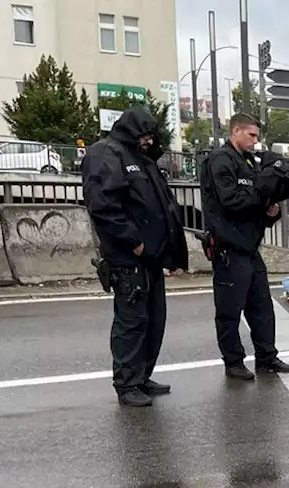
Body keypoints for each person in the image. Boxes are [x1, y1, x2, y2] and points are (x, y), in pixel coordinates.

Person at [82, 106, 189, 408]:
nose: (148, 140)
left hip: (150, 257)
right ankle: (127, 383)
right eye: (145, 134)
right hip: (128, 257)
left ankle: (141, 375)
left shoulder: (141, 159)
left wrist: (169, 255)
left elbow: (161, 207)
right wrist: (135, 243)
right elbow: (104, 207)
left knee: (154, 320)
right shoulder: (107, 153)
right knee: (132, 322)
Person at [200, 113, 289, 382]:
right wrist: (262, 198)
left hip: (250, 247)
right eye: (251, 135)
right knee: (230, 311)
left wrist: (271, 209)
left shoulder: (248, 162)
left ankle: (266, 356)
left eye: (257, 136)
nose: (256, 140)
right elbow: (230, 201)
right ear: (236, 131)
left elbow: (257, 207)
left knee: (262, 307)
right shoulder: (220, 160)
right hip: (229, 248)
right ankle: (233, 361)